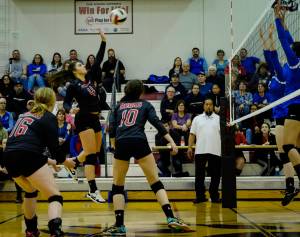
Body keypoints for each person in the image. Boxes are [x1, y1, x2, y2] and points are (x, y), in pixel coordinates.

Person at [105, 80, 190, 235]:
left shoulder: (118, 106)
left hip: (122, 142)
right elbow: (157, 124)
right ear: (140, 92)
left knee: (117, 185)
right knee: (155, 182)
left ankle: (119, 225)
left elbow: (111, 127)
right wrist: (172, 142)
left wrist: (113, 144)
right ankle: (171, 218)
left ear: (126, 91)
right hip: (139, 141)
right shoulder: (145, 105)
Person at [3, 87, 75, 237]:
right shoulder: (48, 117)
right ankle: (55, 231)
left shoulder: (24, 115)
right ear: (53, 101)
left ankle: (31, 230)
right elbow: (54, 148)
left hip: (9, 157)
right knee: (55, 196)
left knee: (30, 192)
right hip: (28, 156)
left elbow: (20, 146)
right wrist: (65, 161)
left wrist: (49, 161)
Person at [49, 30, 107, 203]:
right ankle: (93, 190)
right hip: (83, 119)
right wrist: (69, 110)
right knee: (91, 156)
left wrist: (103, 41)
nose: (84, 66)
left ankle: (72, 163)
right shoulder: (74, 86)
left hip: (95, 118)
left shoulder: (90, 77)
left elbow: (98, 60)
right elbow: (65, 103)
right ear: (75, 71)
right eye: (81, 65)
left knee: (95, 152)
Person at [187, 97, 221, 203]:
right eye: (206, 104)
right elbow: (192, 134)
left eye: (210, 104)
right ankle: (200, 196)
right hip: (200, 150)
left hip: (216, 150)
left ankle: (214, 196)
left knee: (215, 175)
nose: (208, 106)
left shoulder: (219, 119)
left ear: (213, 106)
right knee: (199, 175)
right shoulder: (197, 119)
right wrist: (189, 147)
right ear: (203, 106)